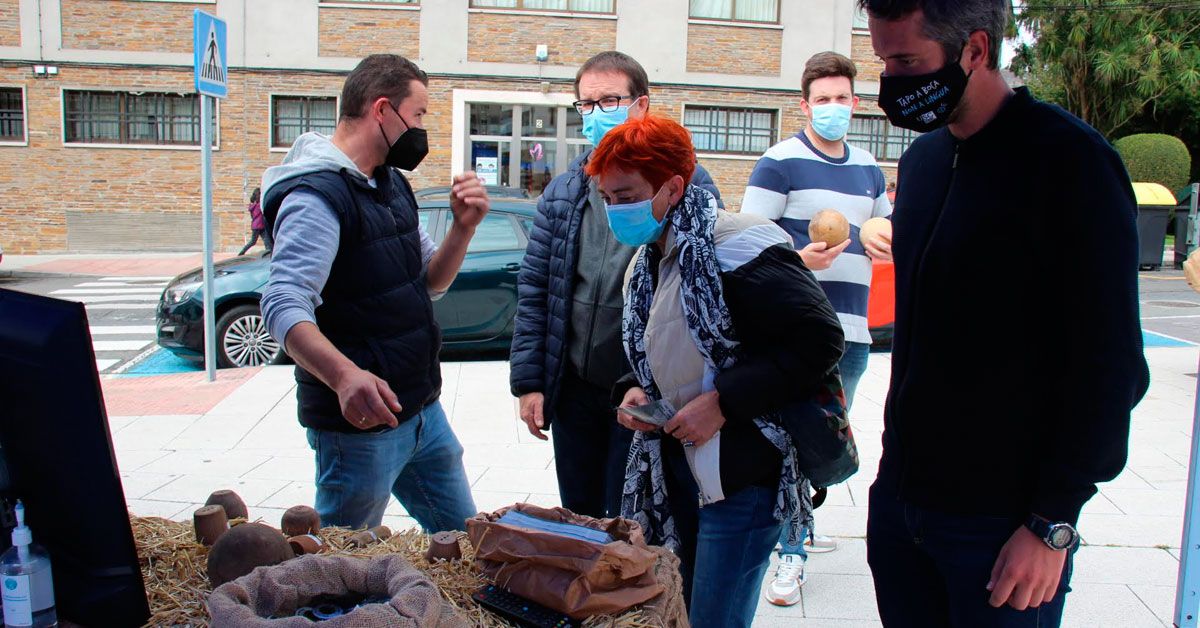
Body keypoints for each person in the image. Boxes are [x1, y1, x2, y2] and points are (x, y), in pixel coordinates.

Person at [858, 1, 1149, 626]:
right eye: (883, 61)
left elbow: (1112, 366)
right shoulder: (925, 161)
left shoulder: (1070, 162)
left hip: (1003, 526)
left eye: (907, 60)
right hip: (905, 506)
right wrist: (889, 498)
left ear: (976, 49)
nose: (892, 81)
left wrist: (1053, 521)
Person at [590, 114, 845, 628]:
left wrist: (724, 402)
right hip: (678, 469)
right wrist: (635, 389)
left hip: (743, 474)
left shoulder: (740, 243)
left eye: (627, 195)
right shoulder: (647, 261)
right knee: (677, 611)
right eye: (608, 198)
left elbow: (819, 340)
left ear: (673, 186)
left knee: (713, 618)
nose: (616, 209)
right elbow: (654, 350)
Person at [259, 54, 487, 533]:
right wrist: (344, 377)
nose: (422, 129)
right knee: (341, 566)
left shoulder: (390, 183)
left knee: (467, 546)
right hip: (359, 432)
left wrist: (464, 229)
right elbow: (282, 303)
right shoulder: (316, 197)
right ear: (382, 110)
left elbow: (431, 283)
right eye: (419, 114)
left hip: (422, 411)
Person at [509, 51, 723, 519]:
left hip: (642, 390)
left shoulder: (685, 182)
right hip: (575, 391)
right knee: (581, 513)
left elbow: (698, 295)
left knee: (632, 518)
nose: (595, 114)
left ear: (640, 105)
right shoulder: (565, 190)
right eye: (585, 105)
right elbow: (537, 291)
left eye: (609, 100)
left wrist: (655, 383)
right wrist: (531, 383)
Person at [741, 50, 894, 607]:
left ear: (856, 102)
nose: (834, 108)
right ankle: (790, 554)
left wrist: (885, 235)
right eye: (823, 99)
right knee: (797, 443)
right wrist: (800, 260)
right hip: (796, 330)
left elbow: (882, 224)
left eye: (843, 98)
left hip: (852, 332)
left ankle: (796, 527)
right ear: (804, 104)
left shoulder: (870, 167)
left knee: (825, 445)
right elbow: (746, 247)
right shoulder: (778, 162)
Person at [238, 187, 270, 255]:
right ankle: (241, 252)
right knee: (253, 241)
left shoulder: (253, 206)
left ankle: (269, 252)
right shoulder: (259, 206)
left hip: (259, 225)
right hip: (258, 226)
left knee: (266, 240)